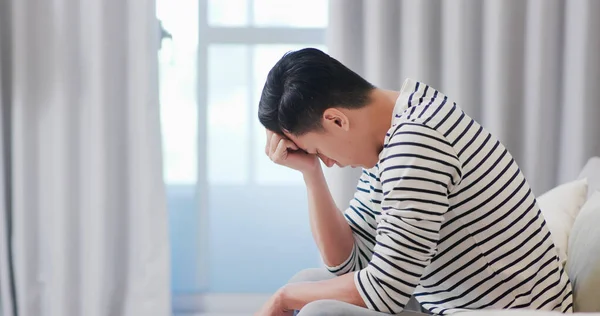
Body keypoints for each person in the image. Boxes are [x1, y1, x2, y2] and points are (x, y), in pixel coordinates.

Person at [254, 48, 573, 316]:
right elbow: (351, 264)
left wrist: (285, 296)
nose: (329, 162)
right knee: (309, 284)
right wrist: (311, 175)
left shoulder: (417, 141)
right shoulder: (397, 130)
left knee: (318, 310)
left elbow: (384, 292)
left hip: (508, 312)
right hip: (448, 304)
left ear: (337, 120)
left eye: (318, 151)